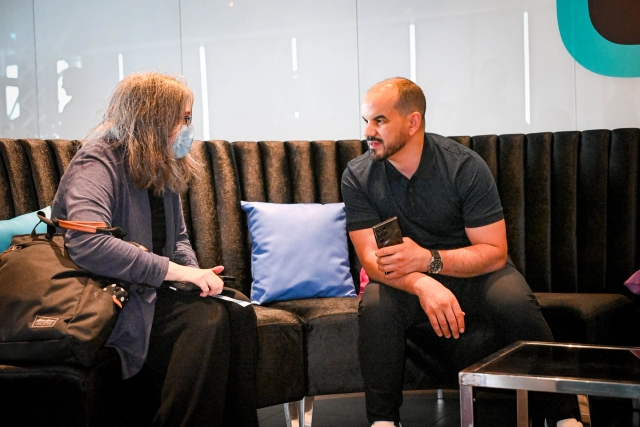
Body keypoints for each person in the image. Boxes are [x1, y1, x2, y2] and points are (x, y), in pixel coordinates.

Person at [341, 77, 582, 427]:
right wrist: (424, 284)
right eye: (366, 121)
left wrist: (429, 260)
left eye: (379, 120)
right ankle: (383, 421)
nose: (368, 131)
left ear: (413, 122)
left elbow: (495, 252)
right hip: (409, 277)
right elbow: (372, 261)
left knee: (515, 302)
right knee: (376, 304)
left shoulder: (463, 167)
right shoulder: (360, 176)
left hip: (473, 270)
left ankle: (563, 417)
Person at [51, 72, 259, 427]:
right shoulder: (97, 161)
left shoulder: (160, 162)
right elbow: (87, 243)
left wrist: (194, 277)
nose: (189, 128)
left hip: (146, 291)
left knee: (236, 311)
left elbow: (177, 240)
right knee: (204, 322)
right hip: (106, 297)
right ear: (155, 118)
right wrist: (177, 273)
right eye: (185, 118)